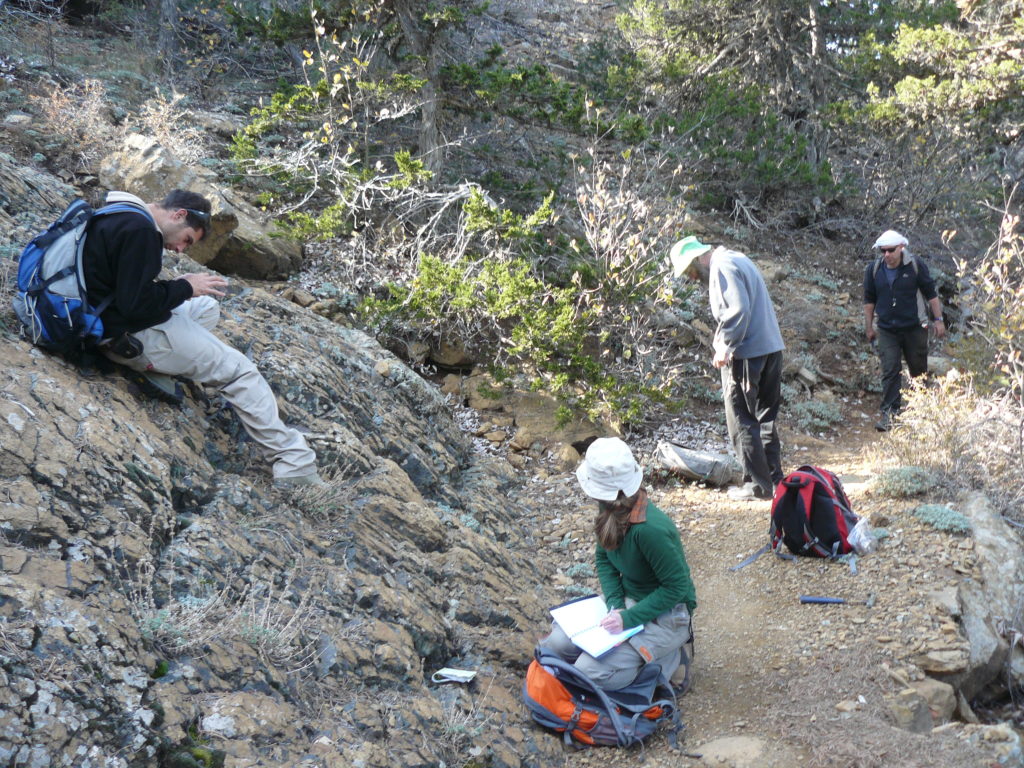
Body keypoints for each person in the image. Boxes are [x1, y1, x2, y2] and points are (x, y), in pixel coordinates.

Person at [82, 189, 323, 487]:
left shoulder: (118, 213)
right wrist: (183, 288)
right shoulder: (141, 231)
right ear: (178, 215)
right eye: (186, 240)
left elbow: (123, 287)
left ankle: (171, 361)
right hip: (125, 335)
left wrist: (180, 287)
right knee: (239, 371)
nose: (181, 250)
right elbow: (135, 306)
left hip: (97, 317)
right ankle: (295, 466)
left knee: (207, 307)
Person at [540, 437, 697, 692]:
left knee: (588, 674)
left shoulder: (651, 530)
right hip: (627, 600)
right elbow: (605, 559)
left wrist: (628, 619)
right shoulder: (609, 509)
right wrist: (615, 605)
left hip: (668, 612)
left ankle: (671, 658)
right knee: (554, 646)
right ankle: (640, 655)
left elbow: (677, 588)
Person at [671, 236, 785, 501]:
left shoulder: (721, 265)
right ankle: (774, 481)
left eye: (688, 270)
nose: (690, 277)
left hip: (747, 353)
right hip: (771, 348)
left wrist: (726, 345)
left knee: (741, 418)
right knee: (765, 416)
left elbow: (738, 309)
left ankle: (756, 486)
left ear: (697, 259)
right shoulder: (737, 257)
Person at [862, 229, 945, 432]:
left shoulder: (915, 266)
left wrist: (939, 320)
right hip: (887, 329)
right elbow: (869, 300)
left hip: (914, 327)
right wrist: (869, 327)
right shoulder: (874, 269)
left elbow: (931, 294)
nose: (887, 255)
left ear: (901, 247)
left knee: (918, 370)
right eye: (883, 251)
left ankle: (922, 412)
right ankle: (890, 414)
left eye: (890, 250)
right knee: (890, 370)